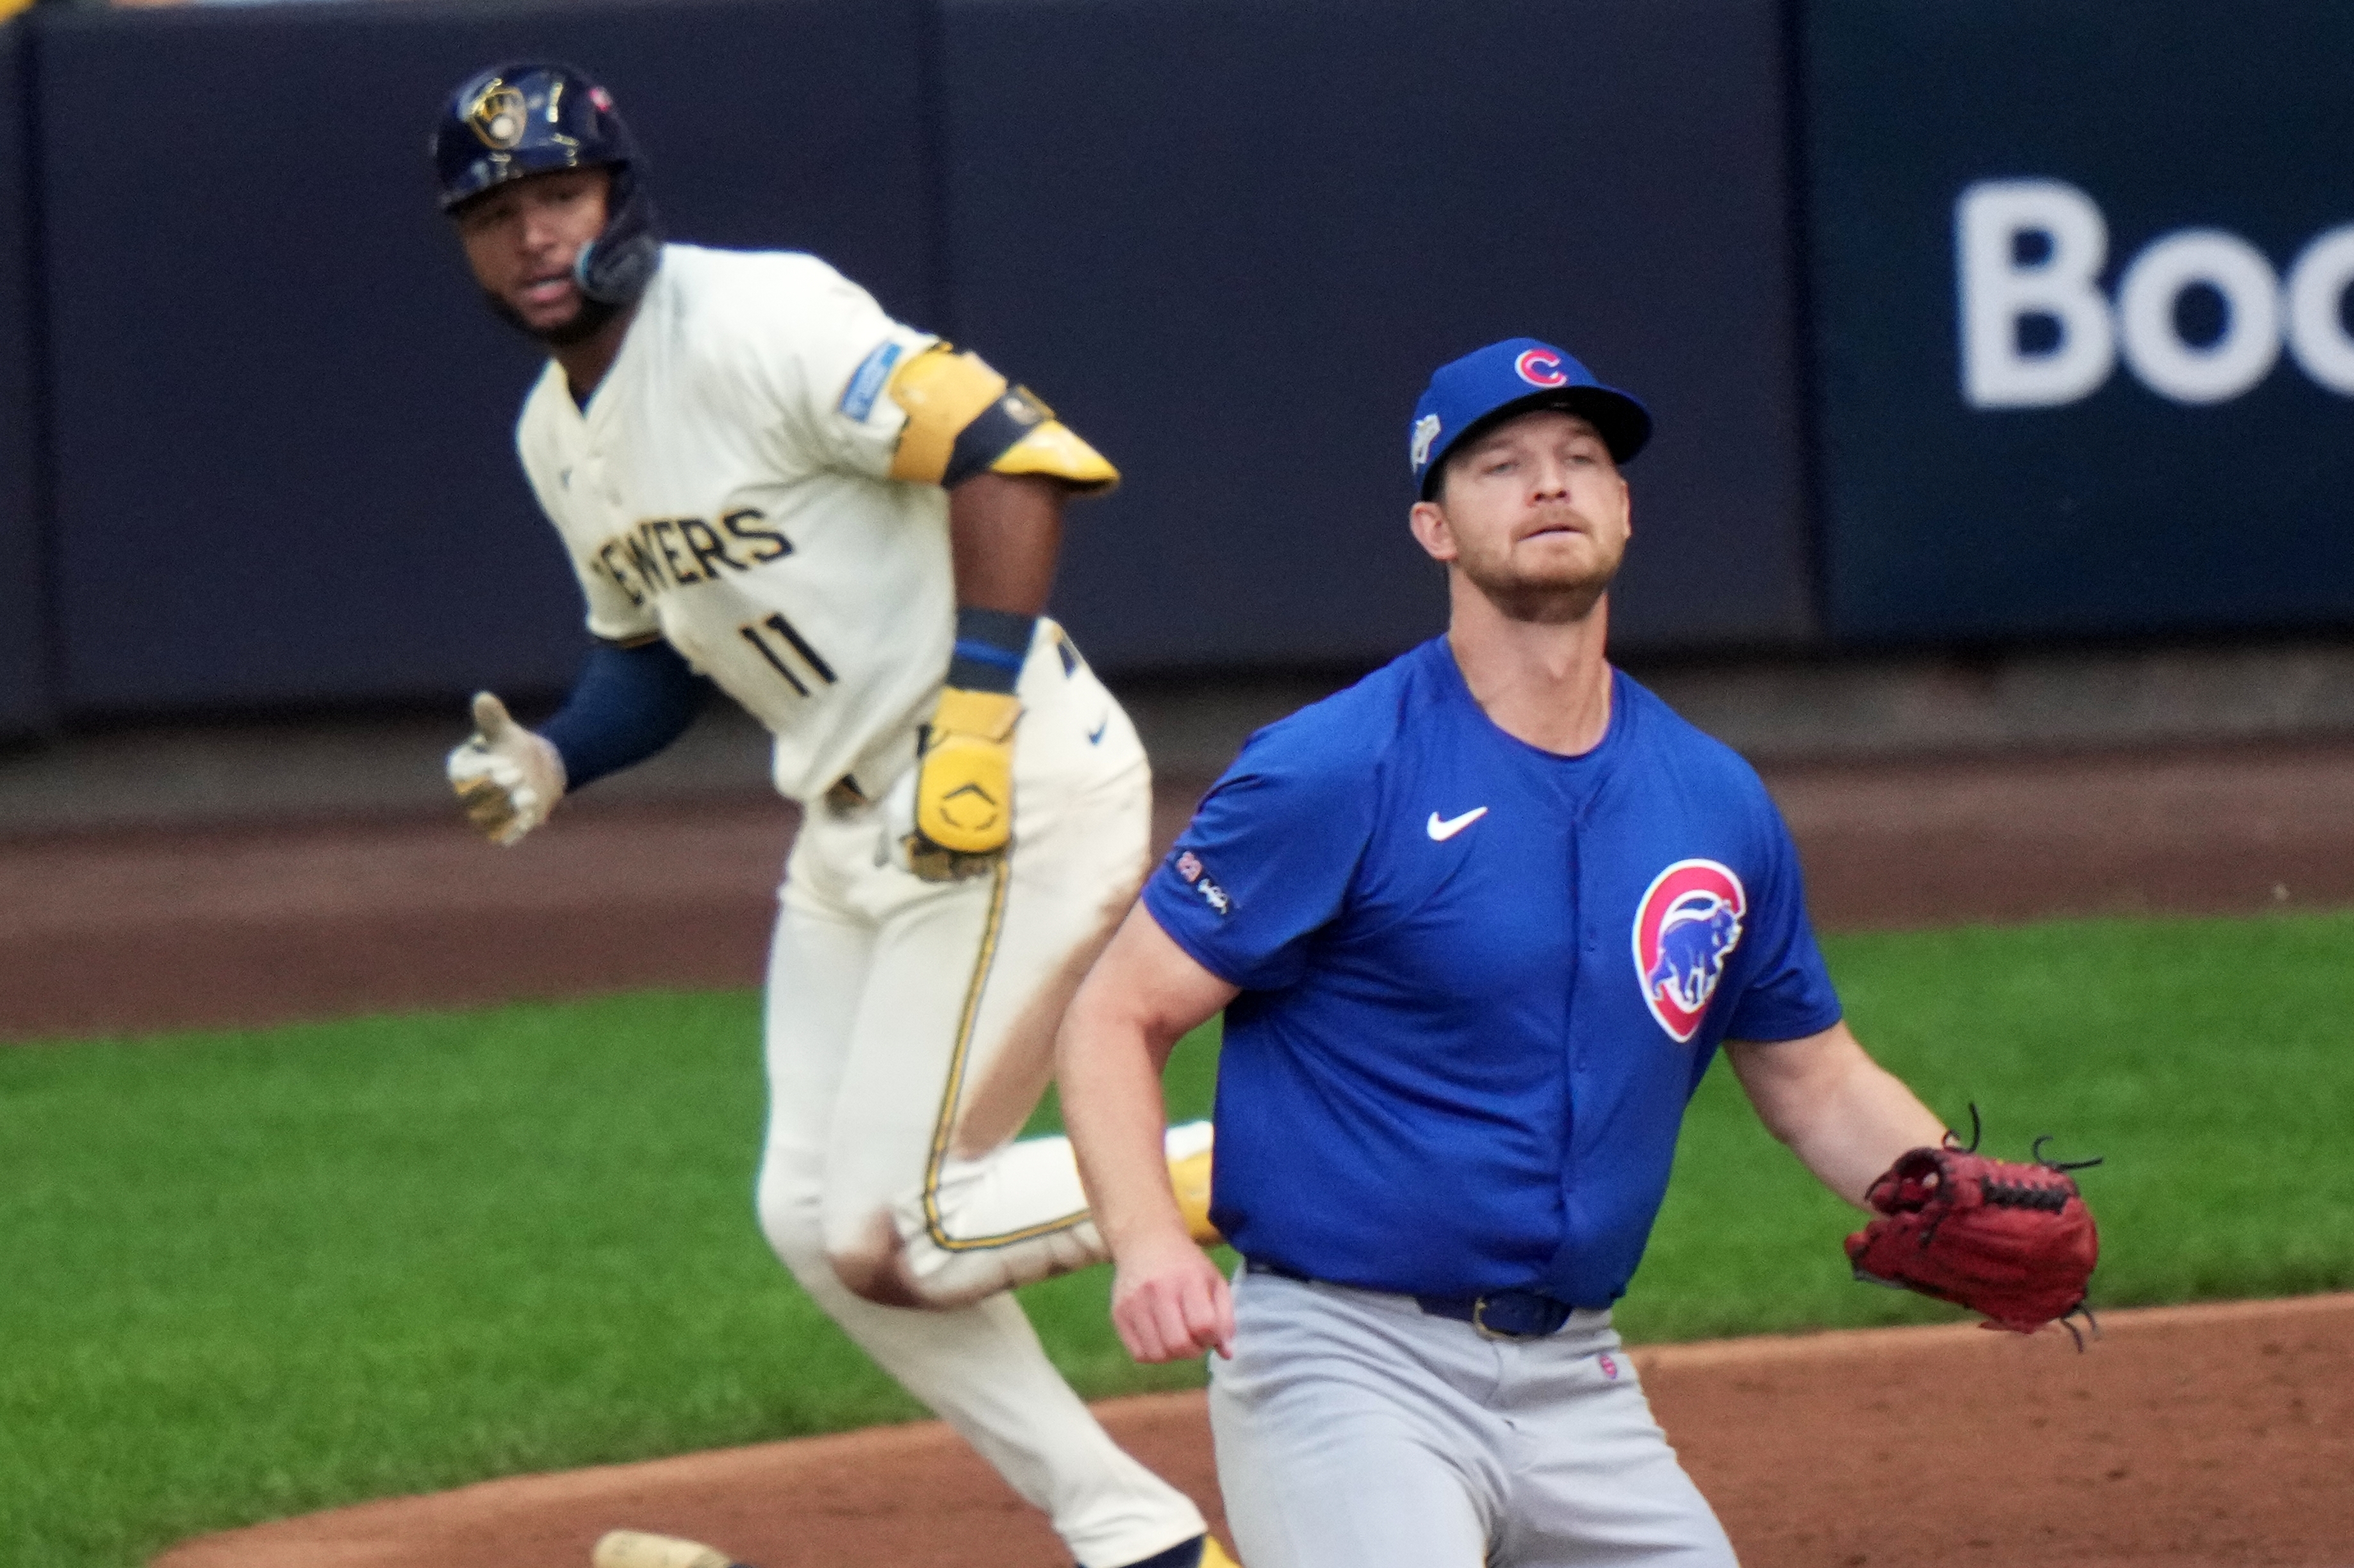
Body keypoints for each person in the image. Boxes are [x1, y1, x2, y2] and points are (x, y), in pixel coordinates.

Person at [429, 63, 1230, 1568]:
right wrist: (556, 760)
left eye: (556, 197)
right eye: (495, 216)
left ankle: (1267, 1159)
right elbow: (649, 652)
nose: (533, 237)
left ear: (615, 197)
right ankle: (1143, 1538)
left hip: (1006, 785)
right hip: (849, 831)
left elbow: (1011, 448)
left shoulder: (754, 320)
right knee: (814, 1224)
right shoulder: (558, 432)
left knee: (902, 1229)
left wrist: (978, 721)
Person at [1054, 338, 1959, 1567]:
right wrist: (1151, 1239)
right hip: (1344, 1364)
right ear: (1433, 529)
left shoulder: (1713, 799)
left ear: (1624, 511)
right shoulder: (1335, 769)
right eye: (1501, 466)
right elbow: (1117, 1014)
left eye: (1580, 460)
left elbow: (1815, 1080)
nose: (1550, 484)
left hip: (1578, 1380)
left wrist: (1945, 1189)